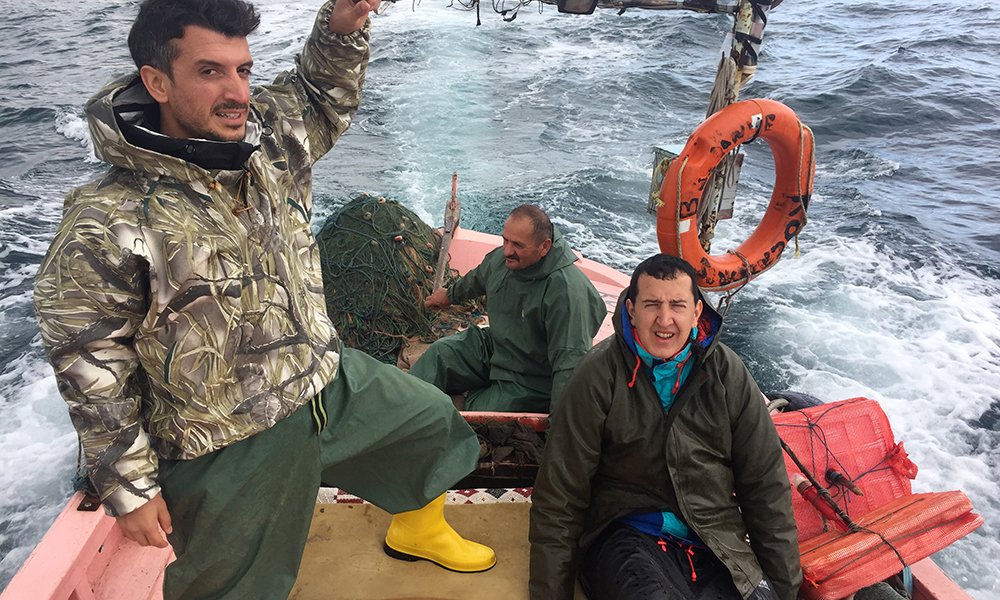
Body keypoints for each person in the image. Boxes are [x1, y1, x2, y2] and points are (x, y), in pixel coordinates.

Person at [32, 1, 494, 598]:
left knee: (428, 421)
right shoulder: (108, 218)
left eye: (243, 70)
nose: (236, 92)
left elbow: (319, 96)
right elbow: (87, 357)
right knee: (237, 588)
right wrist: (129, 486)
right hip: (222, 435)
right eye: (210, 71)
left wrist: (341, 27)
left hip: (321, 377)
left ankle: (417, 529)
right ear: (157, 82)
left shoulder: (265, 143)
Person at [528, 254, 802, 600]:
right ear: (631, 310)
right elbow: (560, 495)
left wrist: (784, 590)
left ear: (697, 313)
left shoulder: (728, 375)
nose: (665, 319)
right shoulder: (598, 376)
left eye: (677, 305)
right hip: (627, 533)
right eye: (651, 304)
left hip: (715, 539)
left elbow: (765, 488)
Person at [411, 204, 607, 414]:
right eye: (505, 240)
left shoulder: (568, 292)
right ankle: (400, 404)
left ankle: (471, 400)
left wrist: (557, 434)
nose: (507, 251)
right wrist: (449, 295)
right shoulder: (502, 260)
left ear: (545, 247)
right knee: (441, 355)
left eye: (518, 245)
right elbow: (478, 278)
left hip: (533, 377)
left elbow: (569, 369)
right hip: (497, 345)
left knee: (481, 415)